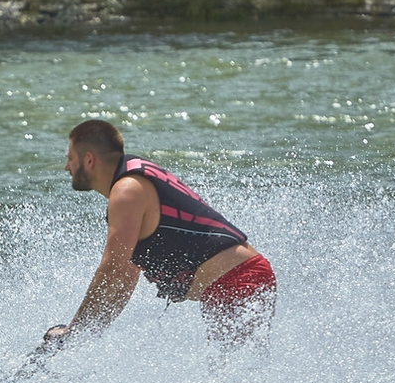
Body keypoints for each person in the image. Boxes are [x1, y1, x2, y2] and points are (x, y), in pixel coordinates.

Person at [45, 118, 275, 350]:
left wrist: (73, 330)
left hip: (239, 280)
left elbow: (112, 268)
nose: (67, 167)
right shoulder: (131, 181)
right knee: (232, 374)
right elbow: (124, 275)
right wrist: (84, 336)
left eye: (70, 159)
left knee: (236, 377)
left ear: (88, 159)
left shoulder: (127, 191)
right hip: (236, 281)